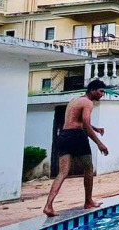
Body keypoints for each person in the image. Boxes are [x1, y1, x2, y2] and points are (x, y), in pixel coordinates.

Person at [42, 80, 110, 217]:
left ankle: (48, 206)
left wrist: (95, 128)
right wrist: (99, 143)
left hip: (64, 136)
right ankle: (88, 201)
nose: (102, 94)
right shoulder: (88, 103)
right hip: (77, 137)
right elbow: (85, 123)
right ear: (93, 91)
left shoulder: (75, 100)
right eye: (101, 91)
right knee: (88, 168)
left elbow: (76, 121)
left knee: (62, 172)